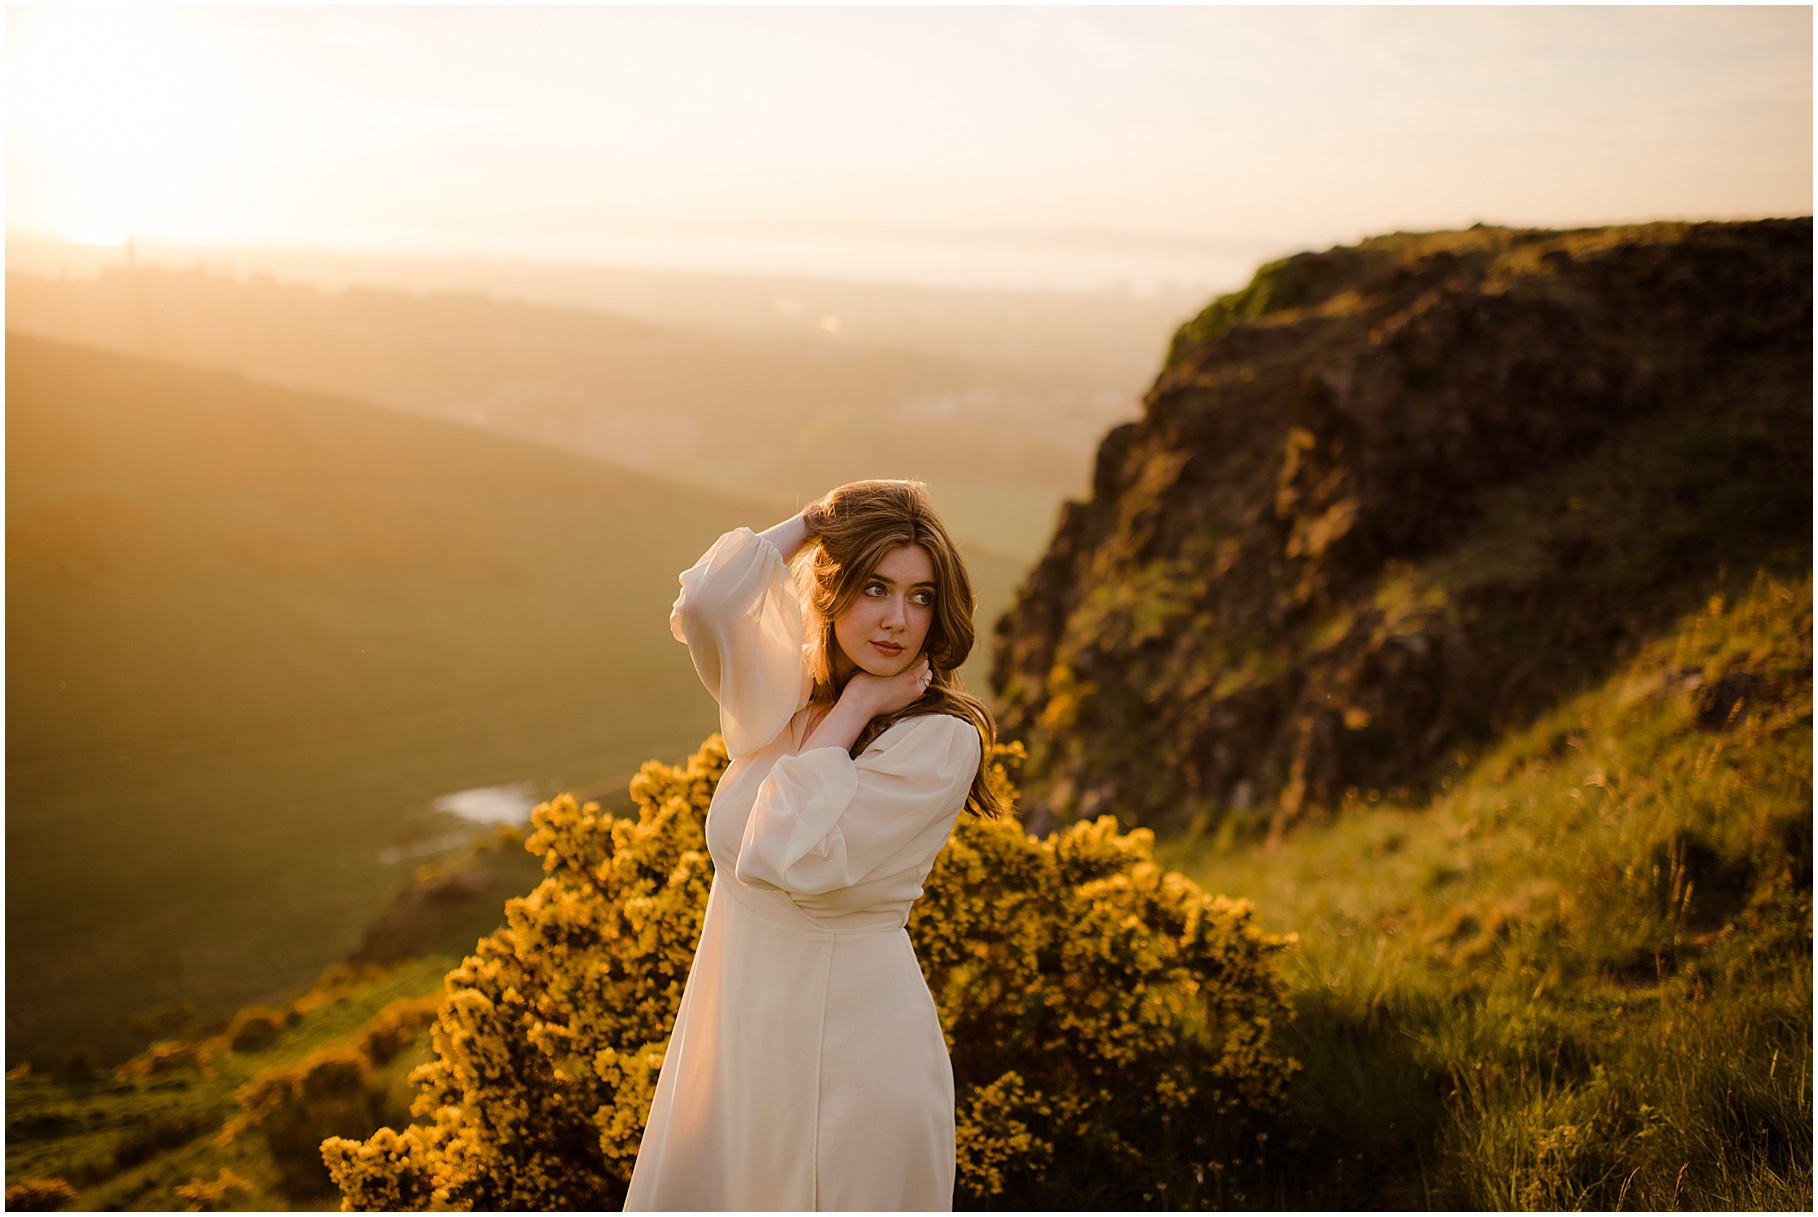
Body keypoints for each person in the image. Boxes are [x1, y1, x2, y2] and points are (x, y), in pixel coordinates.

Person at [624, 479, 1005, 1212]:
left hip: (848, 1061)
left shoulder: (938, 741)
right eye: (875, 587)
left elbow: (781, 848)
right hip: (736, 1042)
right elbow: (704, 601)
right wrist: (815, 519)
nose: (898, 619)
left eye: (921, 596)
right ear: (832, 591)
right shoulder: (787, 699)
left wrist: (861, 702)